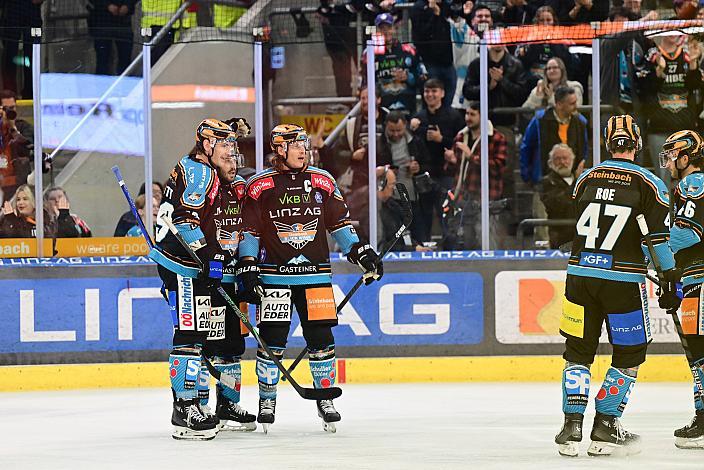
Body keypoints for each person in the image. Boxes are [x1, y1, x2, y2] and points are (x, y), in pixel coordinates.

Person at [237, 124, 383, 433]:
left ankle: (326, 398)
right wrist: (248, 264)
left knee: (322, 339)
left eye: (304, 143)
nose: (304, 149)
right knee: (272, 341)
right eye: (296, 144)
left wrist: (359, 251)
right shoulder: (259, 185)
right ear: (279, 149)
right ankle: (267, 398)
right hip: (274, 278)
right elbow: (249, 231)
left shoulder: (323, 180)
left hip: (315, 276)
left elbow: (340, 224)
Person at [555, 115, 676, 457]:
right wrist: (670, 279)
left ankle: (572, 425)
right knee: (629, 353)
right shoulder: (649, 183)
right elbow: (658, 241)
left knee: (577, 352)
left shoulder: (584, 179)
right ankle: (606, 424)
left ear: (608, 144)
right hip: (622, 282)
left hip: (579, 277)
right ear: (637, 143)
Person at [149, 118, 251, 440]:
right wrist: (210, 259)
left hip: (194, 264)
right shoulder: (198, 171)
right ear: (206, 145)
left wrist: (216, 264)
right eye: (224, 146)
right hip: (180, 263)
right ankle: (185, 407)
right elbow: (184, 219)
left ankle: (220, 404)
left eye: (232, 146)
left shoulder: (204, 169)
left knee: (214, 334)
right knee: (190, 334)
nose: (231, 153)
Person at [658, 130, 704, 449]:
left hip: (700, 278)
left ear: (686, 157)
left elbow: (688, 234)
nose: (669, 162)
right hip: (692, 277)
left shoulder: (693, 183)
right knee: (698, 353)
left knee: (700, 352)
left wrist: (647, 251)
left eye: (672, 155)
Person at [442, 101, 508, 249]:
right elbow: (451, 171)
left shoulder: (497, 138)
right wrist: (452, 161)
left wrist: (472, 156)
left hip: (486, 199)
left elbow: (499, 167)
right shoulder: (460, 137)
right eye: (466, 114)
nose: (468, 118)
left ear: (482, 116)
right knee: (464, 241)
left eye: (472, 114)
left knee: (487, 241)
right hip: (462, 199)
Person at [638, 33, 703, 179]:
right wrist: (659, 72)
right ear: (662, 33)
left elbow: (695, 86)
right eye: (669, 30)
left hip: (685, 129)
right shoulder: (651, 56)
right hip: (659, 129)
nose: (673, 34)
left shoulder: (688, 54)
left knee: (689, 177)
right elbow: (644, 89)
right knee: (663, 177)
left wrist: (693, 65)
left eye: (676, 30)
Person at [410, 78, 466, 243]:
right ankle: (423, 248)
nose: (430, 95)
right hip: (424, 175)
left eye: (434, 91)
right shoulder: (418, 118)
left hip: (445, 173)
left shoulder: (454, 116)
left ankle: (450, 248)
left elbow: (461, 142)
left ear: (442, 93)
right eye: (427, 91)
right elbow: (411, 145)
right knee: (424, 214)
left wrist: (441, 139)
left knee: (447, 212)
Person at [377, 110, 430, 247]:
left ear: (405, 125)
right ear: (386, 127)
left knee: (419, 234)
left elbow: (429, 164)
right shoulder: (378, 144)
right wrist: (385, 170)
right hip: (389, 198)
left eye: (399, 130)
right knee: (394, 236)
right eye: (392, 131)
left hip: (412, 195)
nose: (395, 134)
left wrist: (419, 168)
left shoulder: (416, 141)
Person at [520, 86, 589, 185]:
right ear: (560, 104)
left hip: (571, 182)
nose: (576, 106)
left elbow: (584, 150)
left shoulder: (580, 122)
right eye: (572, 103)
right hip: (543, 182)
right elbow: (526, 148)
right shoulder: (540, 120)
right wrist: (527, 176)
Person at [361, 12, 426, 114]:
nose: (386, 31)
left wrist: (408, 77)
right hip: (381, 109)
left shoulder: (409, 50)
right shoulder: (369, 53)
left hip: (408, 106)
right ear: (376, 30)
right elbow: (364, 82)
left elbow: (423, 78)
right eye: (382, 28)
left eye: (389, 27)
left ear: (394, 28)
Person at [462, 42, 529, 127]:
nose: (498, 41)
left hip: (506, 122)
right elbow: (467, 91)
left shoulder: (516, 65)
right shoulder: (476, 64)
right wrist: (488, 87)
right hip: (481, 122)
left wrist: (502, 80)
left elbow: (522, 94)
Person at [411, 0, 456, 107]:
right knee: (431, 103)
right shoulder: (419, 7)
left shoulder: (446, 6)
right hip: (429, 64)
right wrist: (433, 13)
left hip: (448, 63)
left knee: (450, 103)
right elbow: (420, 35)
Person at [538, 144, 582, 249]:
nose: (562, 162)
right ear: (550, 163)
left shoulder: (583, 181)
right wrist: (577, 181)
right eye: (558, 159)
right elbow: (559, 204)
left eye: (565, 158)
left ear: (572, 160)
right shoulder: (546, 183)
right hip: (559, 238)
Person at [0, 184, 80, 238]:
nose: (20, 203)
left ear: (35, 201)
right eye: (18, 199)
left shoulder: (49, 220)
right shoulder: (11, 221)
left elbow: (72, 236)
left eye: (25, 199)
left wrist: (63, 217)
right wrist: (11, 220)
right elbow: (13, 239)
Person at [1, 0, 43, 98]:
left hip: (33, 12)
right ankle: (9, 93)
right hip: (12, 9)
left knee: (33, 53)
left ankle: (31, 93)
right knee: (10, 51)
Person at [87, 1, 135, 75]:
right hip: (102, 21)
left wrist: (127, 5)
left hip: (123, 22)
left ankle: (125, 83)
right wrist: (107, 5)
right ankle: (102, 84)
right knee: (102, 59)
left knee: (125, 59)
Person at [0, 90, 32, 200]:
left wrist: (13, 130)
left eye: (12, 108)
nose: (9, 111)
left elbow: (27, 148)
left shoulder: (23, 126)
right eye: (5, 108)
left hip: (18, 183)